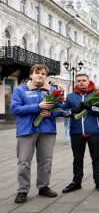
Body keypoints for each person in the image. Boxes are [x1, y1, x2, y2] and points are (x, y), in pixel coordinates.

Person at [11, 64, 59, 203]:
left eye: (43, 74)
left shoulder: (52, 91)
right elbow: (15, 109)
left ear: (46, 76)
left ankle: (43, 186)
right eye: (37, 73)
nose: (40, 76)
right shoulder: (20, 90)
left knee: (46, 160)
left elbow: (60, 109)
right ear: (31, 75)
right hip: (26, 130)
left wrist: (51, 113)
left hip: (47, 130)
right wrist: (37, 107)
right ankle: (23, 190)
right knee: (24, 162)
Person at [62, 73, 99, 193]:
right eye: (79, 81)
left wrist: (91, 108)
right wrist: (73, 111)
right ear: (76, 82)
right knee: (77, 158)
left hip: (94, 131)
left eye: (83, 80)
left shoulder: (96, 95)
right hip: (76, 132)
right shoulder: (71, 96)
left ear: (88, 81)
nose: (81, 82)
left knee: (96, 158)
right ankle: (76, 182)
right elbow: (63, 112)